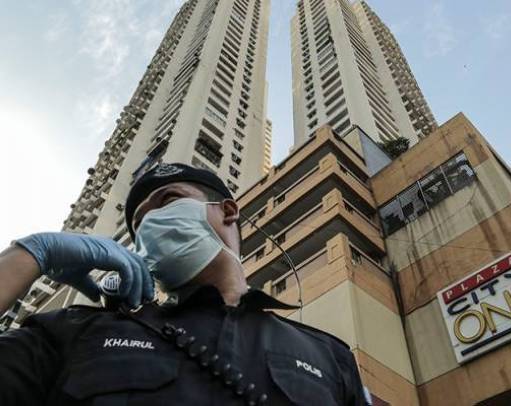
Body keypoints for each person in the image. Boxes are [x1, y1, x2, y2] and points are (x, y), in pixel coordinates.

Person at [0, 162, 367, 405]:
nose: (152, 223)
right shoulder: (76, 331)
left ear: (227, 210)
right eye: (140, 223)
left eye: (169, 200)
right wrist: (28, 256)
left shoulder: (329, 357)